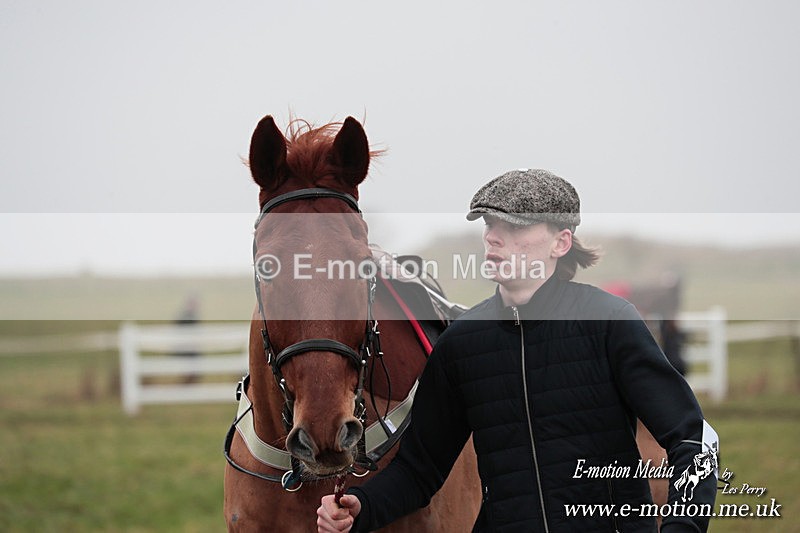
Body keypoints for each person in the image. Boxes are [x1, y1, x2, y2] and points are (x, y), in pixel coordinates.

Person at [317, 169, 718, 532]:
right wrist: (362, 508)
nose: (493, 236)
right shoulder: (461, 344)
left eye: (513, 226)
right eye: (491, 224)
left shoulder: (610, 323)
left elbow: (693, 440)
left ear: (560, 243)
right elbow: (421, 470)